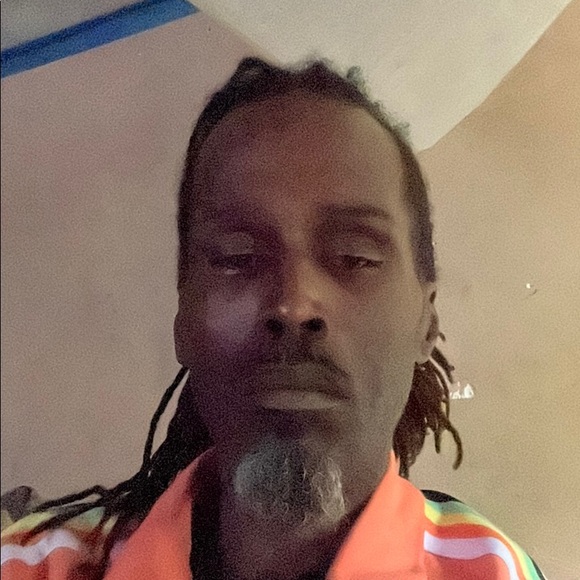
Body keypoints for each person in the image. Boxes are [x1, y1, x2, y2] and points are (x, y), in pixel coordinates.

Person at [1, 57, 545, 579]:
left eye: (354, 256)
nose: (295, 304)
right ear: (183, 317)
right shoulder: (31, 565)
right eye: (238, 257)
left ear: (425, 321)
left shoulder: (492, 570)